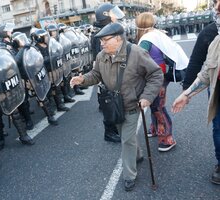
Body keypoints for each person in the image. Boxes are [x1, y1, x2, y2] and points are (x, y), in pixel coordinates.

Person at [70, 22, 163, 191]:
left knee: (126, 139)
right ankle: (138, 155)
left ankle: (129, 176)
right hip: (113, 105)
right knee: (125, 135)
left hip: (133, 104)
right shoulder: (101, 56)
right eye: (101, 41)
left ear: (119, 39)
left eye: (106, 40)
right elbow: (96, 75)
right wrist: (82, 79)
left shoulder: (137, 53)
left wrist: (147, 97)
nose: (102, 43)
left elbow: (156, 74)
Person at [179, 0, 220, 184]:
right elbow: (202, 68)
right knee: (219, 128)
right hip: (217, 90)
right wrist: (186, 92)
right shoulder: (212, 36)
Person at [135, 12, 188, 151]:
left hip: (155, 77)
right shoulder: (157, 34)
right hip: (162, 74)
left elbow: (139, 59)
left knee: (157, 106)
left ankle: (167, 138)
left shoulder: (146, 39)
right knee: (155, 104)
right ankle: (155, 128)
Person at [92, 2, 125, 143]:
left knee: (115, 103)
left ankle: (115, 128)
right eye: (113, 14)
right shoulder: (101, 34)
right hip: (105, 73)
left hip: (112, 71)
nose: (116, 17)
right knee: (109, 103)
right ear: (106, 16)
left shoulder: (109, 29)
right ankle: (109, 132)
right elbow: (101, 56)